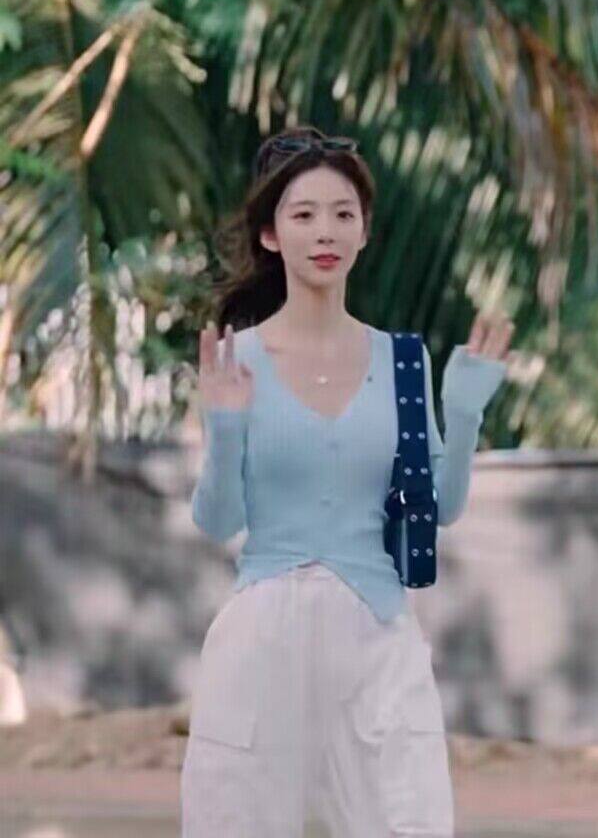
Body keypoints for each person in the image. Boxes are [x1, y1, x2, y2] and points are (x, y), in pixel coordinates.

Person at [181, 125, 514, 837]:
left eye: (342, 214)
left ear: (364, 231)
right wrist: (226, 424)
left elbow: (442, 507)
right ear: (271, 235)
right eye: (303, 215)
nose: (325, 231)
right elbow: (217, 520)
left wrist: (464, 410)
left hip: (376, 634)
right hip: (262, 639)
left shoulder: (403, 362)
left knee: (406, 820)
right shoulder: (235, 360)